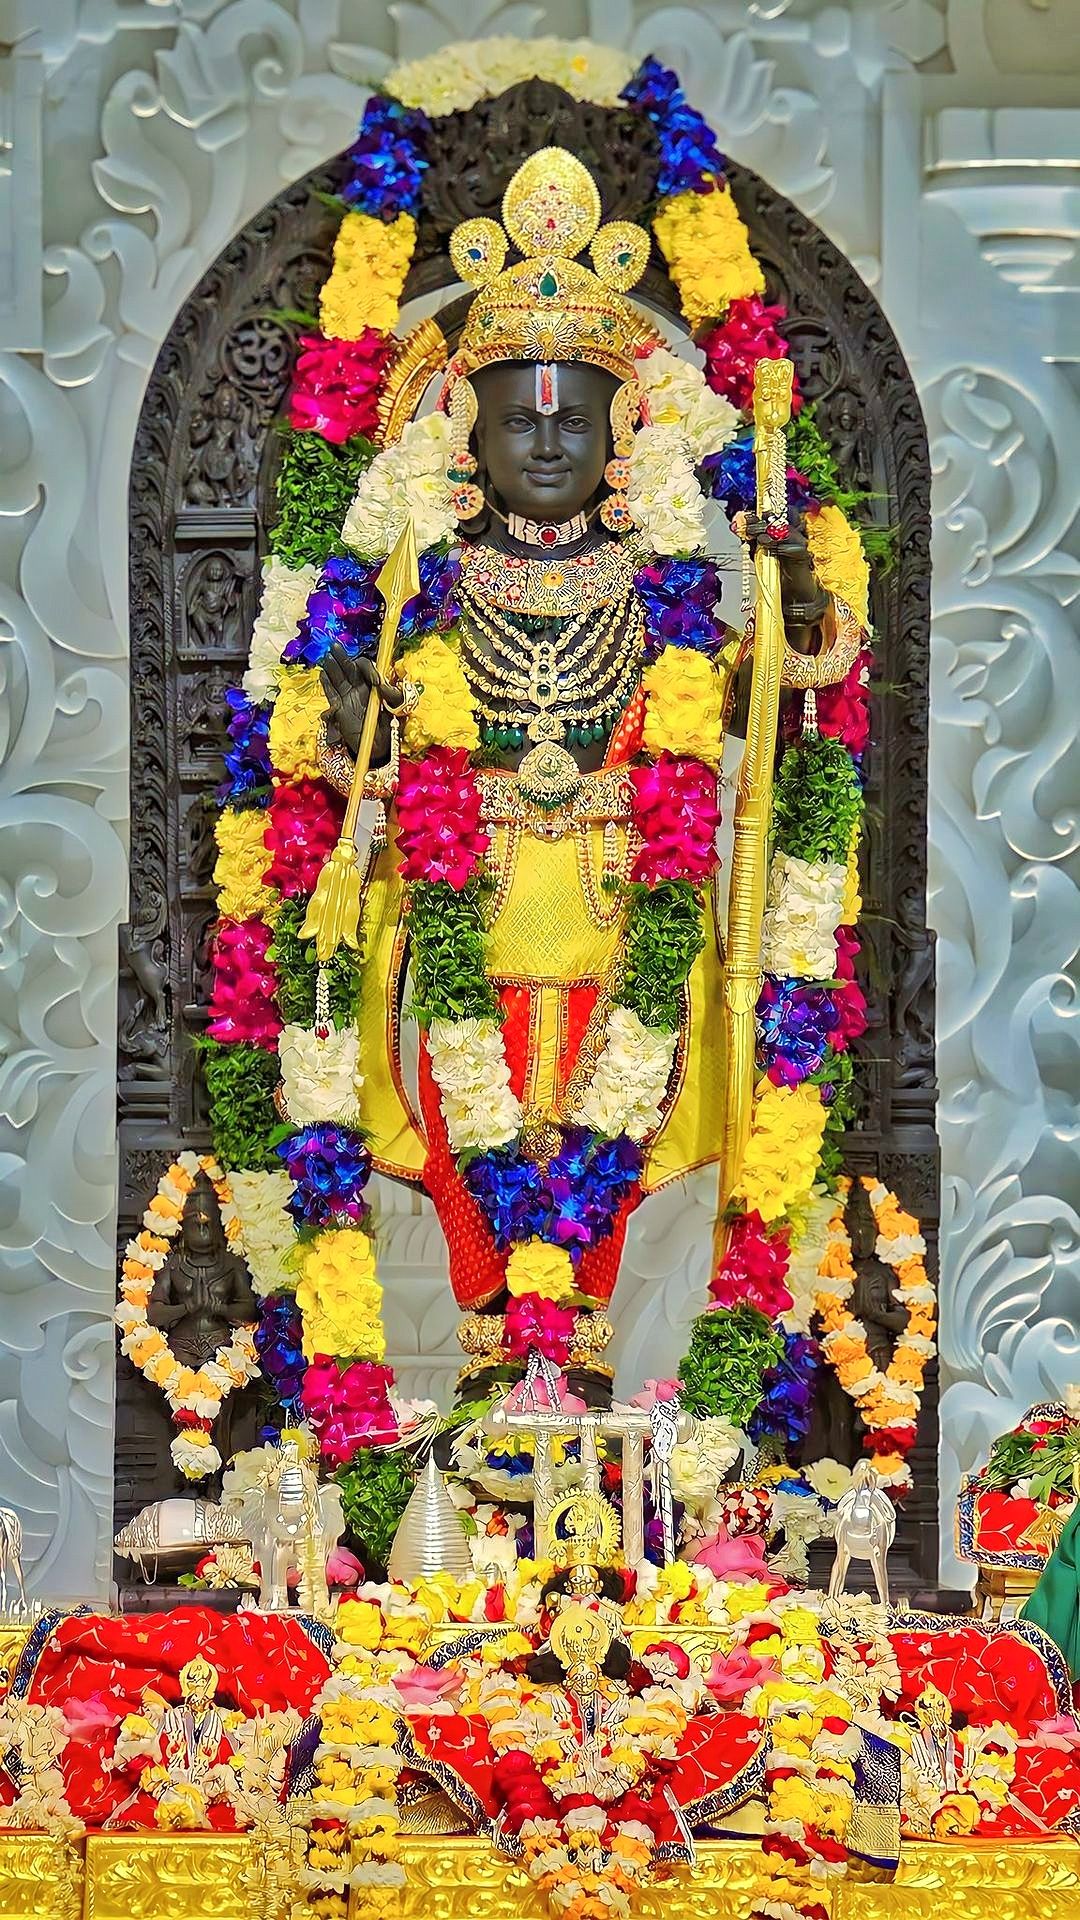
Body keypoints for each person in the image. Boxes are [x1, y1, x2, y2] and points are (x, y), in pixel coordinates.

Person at [316, 149, 860, 1395]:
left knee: (618, 1124)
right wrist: (357, 712)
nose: (548, 439)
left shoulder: (656, 589)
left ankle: (591, 1372)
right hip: (471, 901)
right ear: (473, 434)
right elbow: (347, 737)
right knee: (475, 1133)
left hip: (631, 908)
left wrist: (803, 602)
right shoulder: (429, 586)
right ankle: (491, 1371)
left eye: (575, 416)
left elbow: (780, 686)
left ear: (624, 430)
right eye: (520, 416)